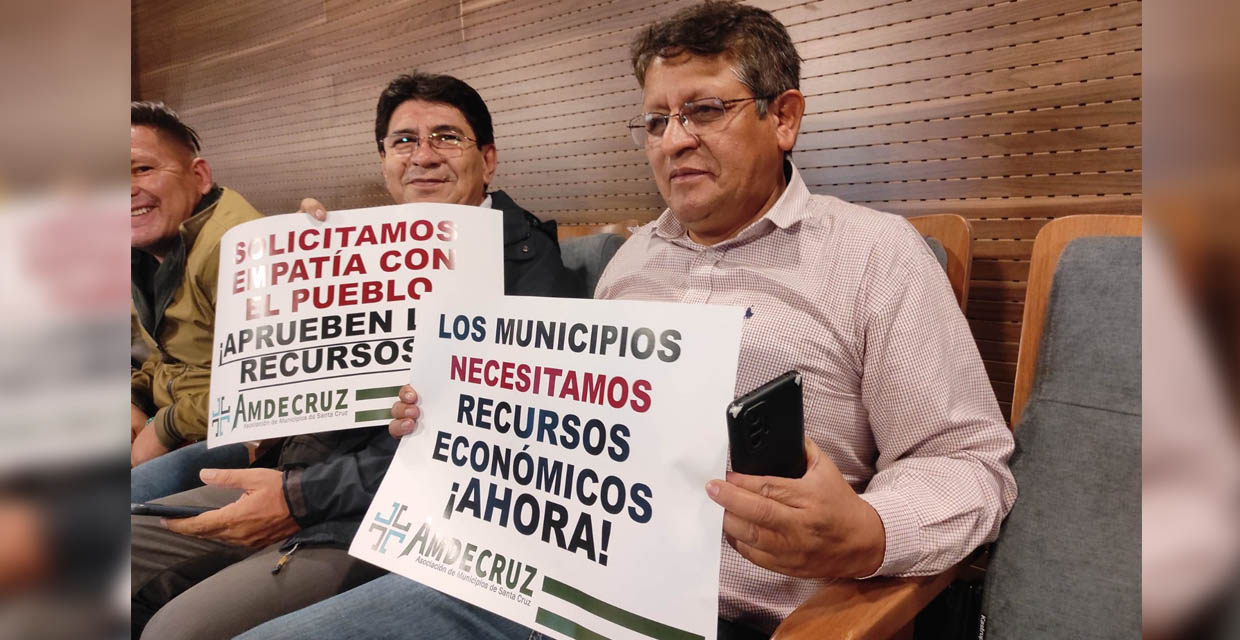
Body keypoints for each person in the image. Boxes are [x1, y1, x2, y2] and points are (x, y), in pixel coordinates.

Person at [238, 3, 1016, 639]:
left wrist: (872, 531)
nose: (675, 139)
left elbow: (967, 463)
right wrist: (446, 416)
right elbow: (550, 433)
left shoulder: (876, 255)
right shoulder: (629, 266)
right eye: (656, 120)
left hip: (735, 613)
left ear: (784, 119)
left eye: (704, 110)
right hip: (544, 587)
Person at [130, 73, 577, 640]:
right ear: (385, 160)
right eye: (404, 141)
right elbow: (291, 381)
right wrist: (302, 267)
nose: (423, 156)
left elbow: (483, 445)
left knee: (174, 627)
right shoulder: (359, 248)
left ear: (487, 160)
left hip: (386, 513)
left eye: (447, 137)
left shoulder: (527, 268)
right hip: (291, 470)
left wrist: (298, 496)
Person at [130, 102, 263, 502]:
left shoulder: (240, 248)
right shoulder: (151, 248)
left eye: (142, 169)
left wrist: (164, 427)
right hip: (183, 419)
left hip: (245, 438)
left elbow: (267, 385)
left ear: (199, 175)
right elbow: (170, 355)